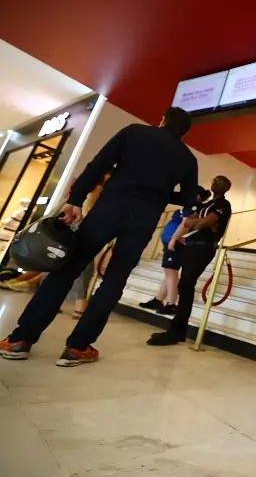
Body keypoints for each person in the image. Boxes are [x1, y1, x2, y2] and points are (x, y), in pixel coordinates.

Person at [0, 107, 198, 366]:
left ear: (162, 120)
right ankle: (78, 347)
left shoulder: (134, 133)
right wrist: (159, 191)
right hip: (143, 221)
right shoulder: (187, 158)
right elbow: (189, 199)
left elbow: (99, 165)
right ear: (184, 132)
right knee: (114, 281)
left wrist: (76, 199)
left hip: (108, 210)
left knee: (67, 269)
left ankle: (20, 340)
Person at [148, 175, 232, 346]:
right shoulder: (205, 205)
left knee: (186, 285)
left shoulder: (223, 204)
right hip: (191, 245)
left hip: (203, 247)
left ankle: (176, 331)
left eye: (220, 181)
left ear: (226, 188)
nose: (215, 182)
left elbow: (201, 223)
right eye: (214, 180)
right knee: (184, 286)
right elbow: (189, 222)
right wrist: (197, 222)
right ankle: (177, 330)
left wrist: (197, 222)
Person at [139, 186, 211, 315]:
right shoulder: (187, 207)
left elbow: (185, 225)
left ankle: (171, 304)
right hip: (172, 243)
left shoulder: (193, 208)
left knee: (171, 273)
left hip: (177, 244)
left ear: (198, 196)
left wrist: (173, 239)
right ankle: (158, 300)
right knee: (169, 273)